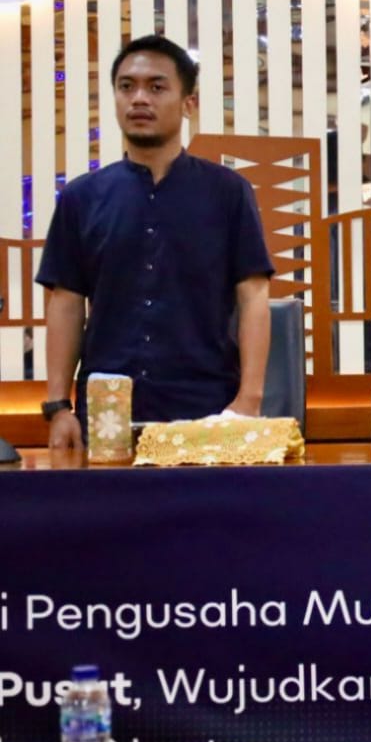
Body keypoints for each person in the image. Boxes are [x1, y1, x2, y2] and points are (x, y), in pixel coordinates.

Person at [36, 35, 275, 451]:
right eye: (126, 87)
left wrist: (248, 401)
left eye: (157, 87)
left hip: (206, 408)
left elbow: (253, 296)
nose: (139, 99)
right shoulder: (81, 197)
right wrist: (59, 407)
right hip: (106, 416)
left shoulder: (227, 192)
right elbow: (66, 302)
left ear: (188, 103)